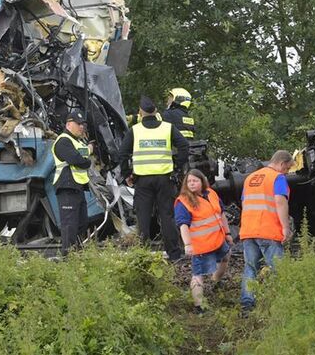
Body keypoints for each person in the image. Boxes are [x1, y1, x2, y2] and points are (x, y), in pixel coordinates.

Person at [117, 95, 189, 261]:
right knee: (167, 216)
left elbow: (122, 154)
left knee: (143, 217)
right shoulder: (168, 128)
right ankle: (175, 255)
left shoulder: (135, 130)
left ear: (140, 113)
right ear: (156, 111)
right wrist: (176, 165)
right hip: (165, 179)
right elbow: (184, 146)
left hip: (142, 181)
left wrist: (127, 173)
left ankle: (143, 255)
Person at [239, 150, 295, 311]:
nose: (286, 172)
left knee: (250, 268)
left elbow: (245, 203)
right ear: (282, 163)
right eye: (287, 168)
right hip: (268, 230)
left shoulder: (250, 178)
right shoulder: (277, 177)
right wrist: (285, 228)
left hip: (249, 230)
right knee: (280, 269)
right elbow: (280, 202)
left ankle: (247, 305)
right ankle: (285, 304)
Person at [175, 169, 233, 314]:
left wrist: (227, 233)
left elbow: (221, 214)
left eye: (195, 180)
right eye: (189, 181)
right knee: (198, 274)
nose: (191, 184)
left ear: (202, 181)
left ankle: (216, 281)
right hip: (201, 245)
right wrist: (188, 245)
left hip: (218, 239)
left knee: (226, 257)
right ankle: (199, 306)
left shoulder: (211, 193)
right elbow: (183, 226)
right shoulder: (184, 201)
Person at [51, 109, 93, 256]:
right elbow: (76, 159)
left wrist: (86, 156)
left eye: (83, 125)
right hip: (67, 186)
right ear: (69, 124)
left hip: (77, 187)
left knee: (81, 224)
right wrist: (86, 162)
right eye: (79, 124)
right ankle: (68, 257)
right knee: (69, 225)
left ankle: (77, 254)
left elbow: (82, 156)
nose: (82, 127)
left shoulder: (77, 141)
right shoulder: (63, 141)